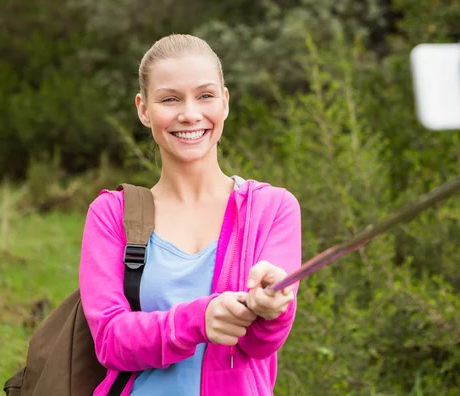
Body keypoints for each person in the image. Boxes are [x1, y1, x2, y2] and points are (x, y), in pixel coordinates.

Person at [78, 34, 302, 396]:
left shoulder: (273, 208)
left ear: (225, 102)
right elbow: (109, 341)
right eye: (169, 99)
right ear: (143, 109)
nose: (190, 114)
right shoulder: (111, 214)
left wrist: (274, 308)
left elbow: (261, 346)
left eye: (205, 95)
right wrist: (197, 320)